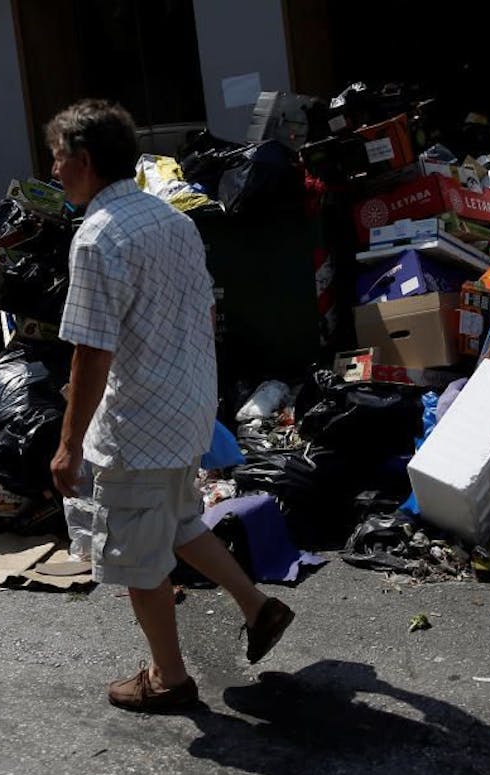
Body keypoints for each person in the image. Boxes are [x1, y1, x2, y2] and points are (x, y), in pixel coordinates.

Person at [45, 99, 295, 714]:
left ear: (82, 161)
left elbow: (92, 354)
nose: (52, 171)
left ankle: (170, 678)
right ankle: (259, 608)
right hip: (186, 408)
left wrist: (69, 443)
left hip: (139, 422)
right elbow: (205, 313)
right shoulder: (170, 218)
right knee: (180, 521)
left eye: (56, 158)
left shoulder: (97, 238)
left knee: (135, 557)